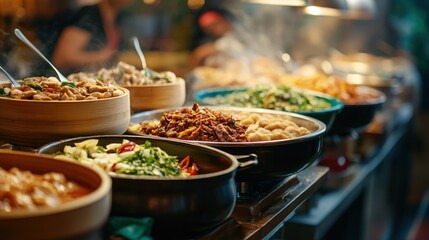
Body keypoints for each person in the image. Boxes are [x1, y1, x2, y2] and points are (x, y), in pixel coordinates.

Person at [40, 0, 134, 75]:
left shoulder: (117, 17)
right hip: (67, 85)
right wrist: (102, 56)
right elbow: (62, 58)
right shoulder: (89, 16)